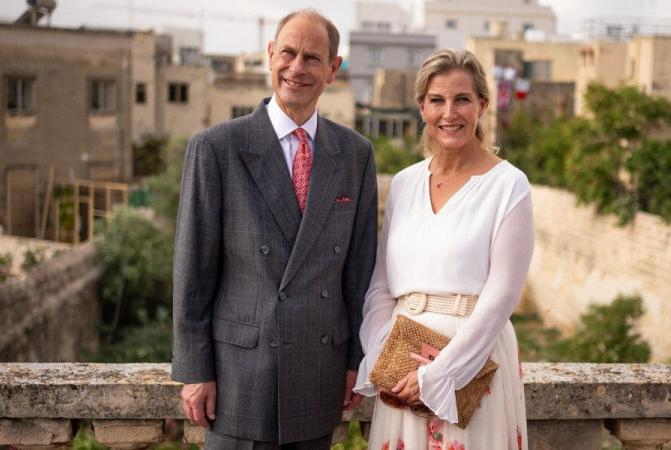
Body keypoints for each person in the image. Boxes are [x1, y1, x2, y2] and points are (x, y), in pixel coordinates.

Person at [171, 9, 377, 449]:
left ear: (333, 69)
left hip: (319, 370)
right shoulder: (216, 148)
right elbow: (192, 270)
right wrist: (194, 370)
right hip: (237, 378)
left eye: (312, 57)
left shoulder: (356, 154)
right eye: (288, 52)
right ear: (270, 55)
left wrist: (356, 359)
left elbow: (360, 270)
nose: (297, 67)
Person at [354, 48, 534, 449]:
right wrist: (384, 358)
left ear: (482, 105)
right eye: (437, 100)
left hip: (471, 365)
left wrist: (440, 376)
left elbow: (501, 297)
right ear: (421, 106)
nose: (449, 113)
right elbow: (382, 285)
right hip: (401, 364)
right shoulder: (403, 183)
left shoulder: (509, 185)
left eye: (462, 99)